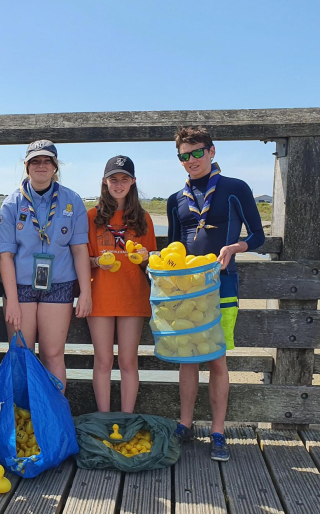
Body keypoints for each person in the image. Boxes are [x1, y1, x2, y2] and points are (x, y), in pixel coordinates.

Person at [167, 126, 265, 461]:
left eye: (196, 153)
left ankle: (218, 431)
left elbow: (259, 235)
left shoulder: (235, 188)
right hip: (185, 292)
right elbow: (173, 246)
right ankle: (184, 425)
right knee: (186, 358)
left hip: (223, 286)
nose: (191, 161)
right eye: (184, 156)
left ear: (211, 151)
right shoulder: (175, 200)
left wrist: (236, 247)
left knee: (217, 360)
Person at [0, 140, 92, 389]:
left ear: (55, 166)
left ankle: (54, 418)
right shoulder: (11, 204)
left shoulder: (73, 201)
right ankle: (22, 419)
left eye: (47, 160)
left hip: (59, 285)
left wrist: (86, 294)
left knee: (52, 355)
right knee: (21, 355)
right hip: (21, 288)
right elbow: (5, 256)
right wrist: (12, 300)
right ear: (26, 166)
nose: (41, 166)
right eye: (35, 161)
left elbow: (80, 249)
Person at [86, 156, 156, 413]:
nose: (118, 184)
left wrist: (146, 258)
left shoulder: (143, 218)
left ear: (133, 182)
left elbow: (150, 264)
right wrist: (96, 261)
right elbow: (82, 259)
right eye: (113, 179)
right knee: (103, 361)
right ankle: (104, 416)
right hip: (100, 298)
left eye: (124, 179)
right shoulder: (91, 216)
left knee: (128, 361)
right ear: (104, 182)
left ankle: (127, 416)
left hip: (133, 298)